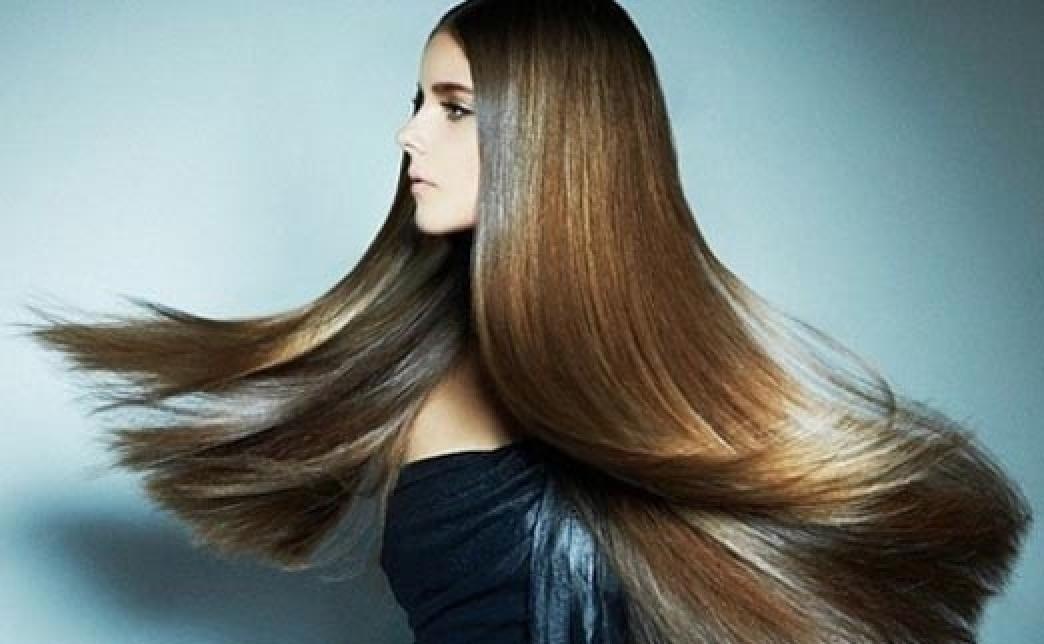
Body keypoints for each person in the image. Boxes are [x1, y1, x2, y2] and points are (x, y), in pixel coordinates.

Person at [17, 1, 1031, 642]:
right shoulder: (413, 381)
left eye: (454, 105)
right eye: (421, 99)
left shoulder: (650, 404)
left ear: (552, 141)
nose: (409, 132)